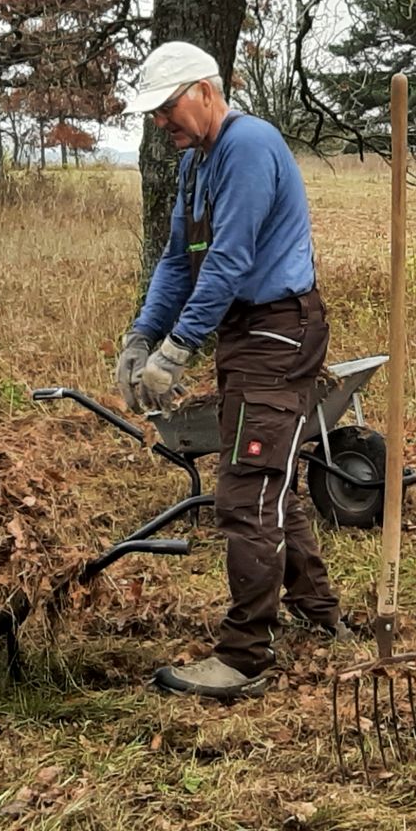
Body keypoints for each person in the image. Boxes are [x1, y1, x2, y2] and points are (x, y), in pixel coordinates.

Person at [115, 40, 344, 700]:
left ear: (206, 91)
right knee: (272, 481)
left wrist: (179, 348)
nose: (161, 121)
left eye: (167, 107)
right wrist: (143, 335)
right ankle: (319, 613)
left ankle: (244, 656)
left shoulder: (247, 146)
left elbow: (229, 260)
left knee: (246, 493)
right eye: (154, 112)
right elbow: (177, 259)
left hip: (277, 331)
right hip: (249, 334)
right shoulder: (197, 162)